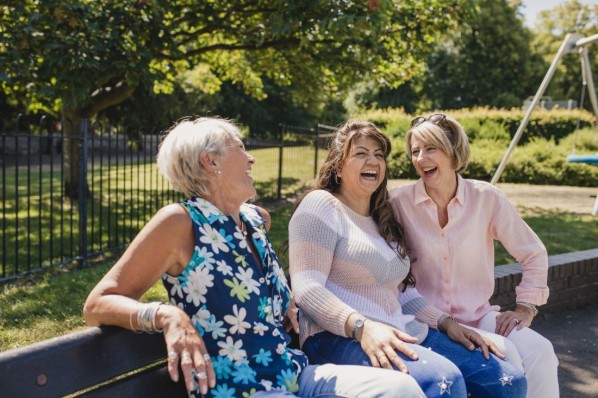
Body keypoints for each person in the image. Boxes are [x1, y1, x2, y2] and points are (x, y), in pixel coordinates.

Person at [83, 117, 426, 398]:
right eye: (242, 149)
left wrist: (284, 296)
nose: (251, 159)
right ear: (210, 161)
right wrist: (167, 315)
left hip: (292, 375)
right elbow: (98, 303)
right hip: (239, 389)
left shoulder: (251, 220)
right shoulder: (179, 223)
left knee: (401, 390)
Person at [288, 120, 527, 398]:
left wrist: (448, 324)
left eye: (379, 155)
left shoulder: (383, 218)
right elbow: (307, 288)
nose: (373, 161)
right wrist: (361, 327)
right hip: (336, 336)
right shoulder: (321, 205)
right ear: (338, 166)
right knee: (442, 383)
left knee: (506, 379)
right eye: (361, 153)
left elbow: (402, 292)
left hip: (401, 329)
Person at [389, 113, 559, 398]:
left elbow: (533, 253)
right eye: (415, 151)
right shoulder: (398, 203)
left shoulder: (487, 198)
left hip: (479, 316)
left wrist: (525, 308)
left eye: (430, 148)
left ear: (453, 151)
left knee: (542, 352)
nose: (420, 158)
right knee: (505, 357)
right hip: (427, 321)